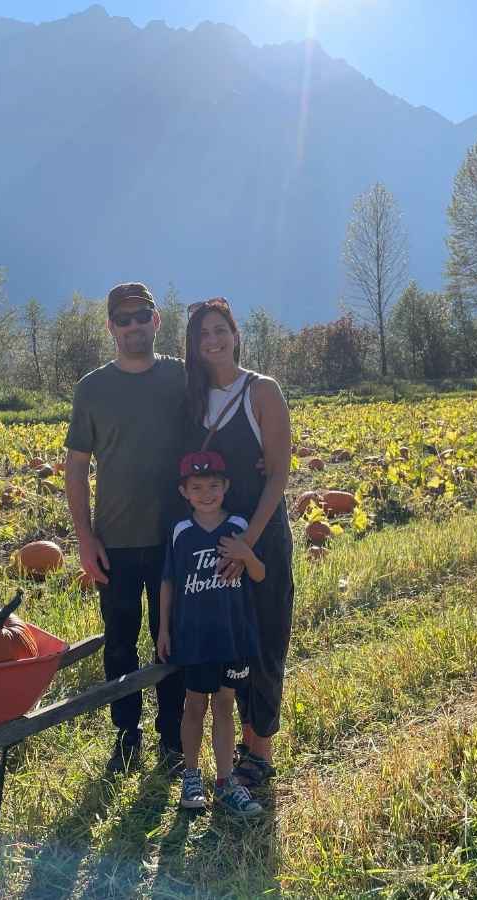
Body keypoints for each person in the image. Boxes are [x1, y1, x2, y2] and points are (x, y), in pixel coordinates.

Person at [64, 282, 186, 773]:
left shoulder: (181, 377)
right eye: (125, 319)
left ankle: (173, 736)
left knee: (170, 636)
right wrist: (85, 540)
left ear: (157, 322)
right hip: (113, 541)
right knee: (120, 641)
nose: (134, 326)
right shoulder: (92, 388)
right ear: (112, 327)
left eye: (143, 316)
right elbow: (75, 467)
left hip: (173, 540)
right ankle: (126, 735)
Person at [183, 297, 293, 790]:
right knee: (233, 641)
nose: (213, 339)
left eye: (220, 329)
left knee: (266, 638)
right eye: (203, 332)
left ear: (235, 333)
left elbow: (278, 474)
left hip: (260, 537)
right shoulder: (191, 397)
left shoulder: (262, 391)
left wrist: (247, 543)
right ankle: (233, 751)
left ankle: (261, 750)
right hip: (215, 542)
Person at [156, 450, 265, 816]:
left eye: (214, 486)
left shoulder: (237, 525)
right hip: (195, 635)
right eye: (197, 487)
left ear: (226, 487)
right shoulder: (181, 532)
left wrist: (244, 554)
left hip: (232, 635)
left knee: (224, 705)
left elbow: (261, 574)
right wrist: (163, 629)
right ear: (184, 491)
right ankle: (190, 776)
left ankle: (224, 782)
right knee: (195, 705)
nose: (206, 493)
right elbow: (168, 582)